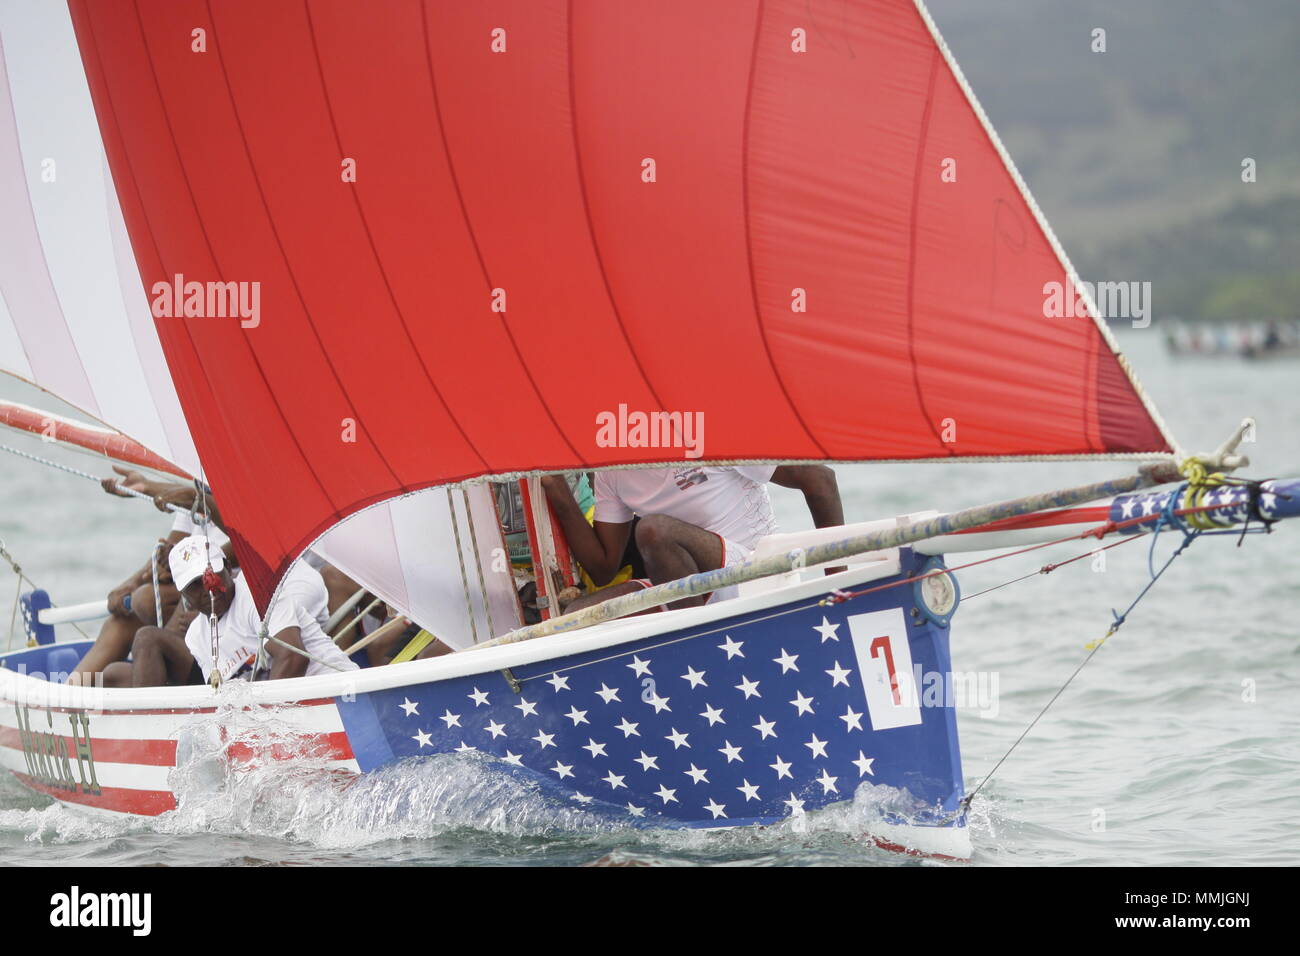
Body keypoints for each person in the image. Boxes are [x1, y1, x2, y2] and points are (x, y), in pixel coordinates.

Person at [540, 464, 843, 611]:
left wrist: (836, 587)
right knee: (575, 616)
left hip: (756, 571)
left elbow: (820, 480)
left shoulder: (709, 428)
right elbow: (603, 568)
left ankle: (696, 647)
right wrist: (555, 487)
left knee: (653, 531)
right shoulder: (612, 471)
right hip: (682, 581)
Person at [106, 535, 358, 687]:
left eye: (211, 575)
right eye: (195, 586)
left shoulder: (258, 594)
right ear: (184, 597)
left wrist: (261, 726)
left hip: (341, 690)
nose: (209, 589)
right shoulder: (197, 636)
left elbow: (293, 658)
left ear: (227, 566)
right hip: (299, 709)